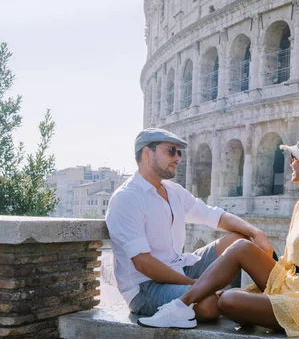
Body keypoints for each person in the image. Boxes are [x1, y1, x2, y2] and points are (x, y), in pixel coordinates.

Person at [137, 130, 299, 339]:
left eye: (294, 157)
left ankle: (180, 306)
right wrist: (261, 284)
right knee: (241, 245)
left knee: (228, 301)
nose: (290, 162)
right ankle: (180, 307)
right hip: (291, 284)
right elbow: (287, 261)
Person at [105, 127, 273, 322]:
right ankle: (263, 309)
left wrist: (255, 231)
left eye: (179, 152)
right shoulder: (127, 198)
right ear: (146, 153)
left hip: (179, 267)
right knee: (207, 304)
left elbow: (213, 215)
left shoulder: (173, 191)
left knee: (238, 240)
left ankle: (283, 300)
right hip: (145, 288)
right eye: (171, 151)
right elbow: (144, 264)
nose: (178, 158)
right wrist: (196, 285)